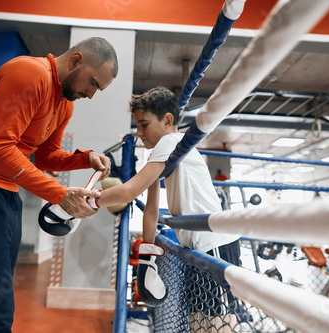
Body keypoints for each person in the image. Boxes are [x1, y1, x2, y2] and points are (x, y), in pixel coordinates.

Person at [0, 37, 118, 333]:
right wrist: (60, 194)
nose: (91, 94)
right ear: (76, 61)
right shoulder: (29, 74)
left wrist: (85, 158)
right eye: (94, 83)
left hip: (5, 194)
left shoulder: (64, 104)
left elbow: (45, 156)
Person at [95, 86, 241, 332]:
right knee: (198, 323)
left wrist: (86, 200)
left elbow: (130, 191)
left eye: (144, 124)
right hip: (198, 247)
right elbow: (150, 210)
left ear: (167, 120)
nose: (139, 133)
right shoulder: (163, 150)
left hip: (215, 244)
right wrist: (147, 257)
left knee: (218, 326)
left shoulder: (170, 141)